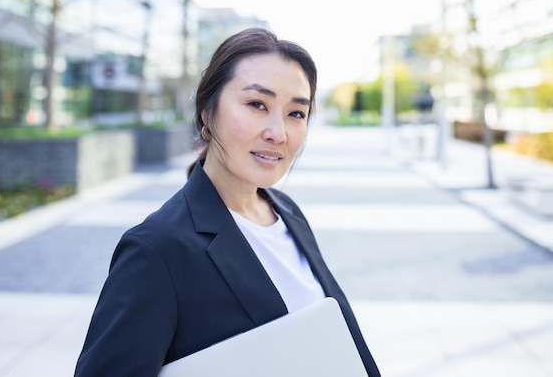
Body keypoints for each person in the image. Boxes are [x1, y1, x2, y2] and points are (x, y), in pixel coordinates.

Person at [74, 27, 381, 377]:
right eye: (256, 104)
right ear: (207, 111)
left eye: (296, 113)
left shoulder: (287, 212)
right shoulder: (157, 250)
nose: (277, 133)